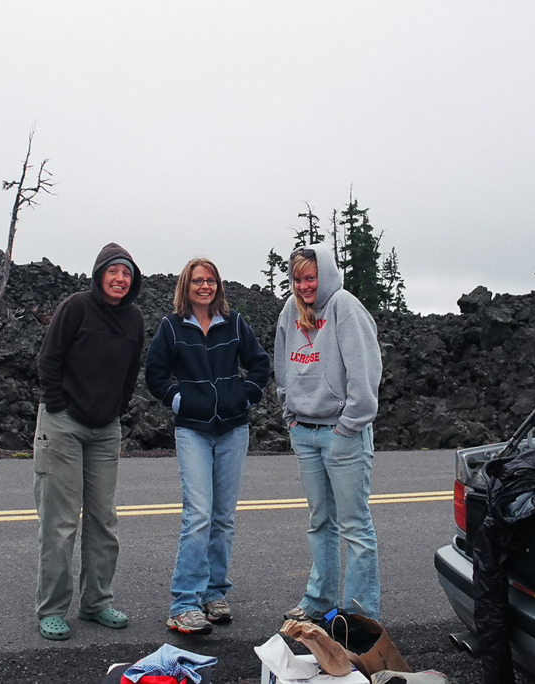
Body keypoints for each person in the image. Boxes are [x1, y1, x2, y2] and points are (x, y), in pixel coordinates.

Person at [145, 258, 271, 635]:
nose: (205, 286)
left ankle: (214, 594)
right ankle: (183, 603)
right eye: (198, 281)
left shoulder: (233, 324)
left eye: (211, 280)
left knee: (223, 517)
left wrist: (244, 396)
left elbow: (260, 364)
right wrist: (179, 400)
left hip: (233, 429)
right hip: (193, 431)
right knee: (198, 515)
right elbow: (154, 374)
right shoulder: (171, 326)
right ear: (186, 285)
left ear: (218, 285)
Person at [33, 242, 145, 642]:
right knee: (60, 522)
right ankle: (52, 610)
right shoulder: (76, 307)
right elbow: (49, 359)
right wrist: (60, 405)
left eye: (126, 274)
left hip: (105, 429)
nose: (119, 279)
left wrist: (116, 408)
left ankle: (96, 602)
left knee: (103, 520)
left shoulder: (134, 319)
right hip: (63, 425)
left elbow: (133, 371)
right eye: (113, 272)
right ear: (99, 275)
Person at [274, 242, 383, 621]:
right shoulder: (291, 310)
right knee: (320, 522)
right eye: (298, 279)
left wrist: (348, 426)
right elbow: (282, 364)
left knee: (355, 526)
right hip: (304, 431)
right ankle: (318, 601)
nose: (304, 286)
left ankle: (358, 616)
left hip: (343, 434)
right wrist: (290, 414)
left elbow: (365, 373)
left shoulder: (345, 308)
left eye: (311, 277)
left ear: (325, 274)